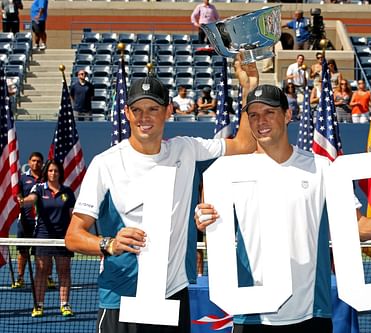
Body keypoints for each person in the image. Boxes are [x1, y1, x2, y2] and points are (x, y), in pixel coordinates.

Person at [194, 83, 371, 332]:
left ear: (288, 115)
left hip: (311, 312)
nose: (260, 121)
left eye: (269, 112)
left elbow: (357, 227)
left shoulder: (322, 168)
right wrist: (204, 220)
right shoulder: (231, 174)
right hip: (252, 313)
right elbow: (213, 227)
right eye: (253, 115)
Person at [64, 55, 256, 333]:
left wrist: (248, 87)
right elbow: (73, 236)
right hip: (122, 299)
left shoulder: (186, 150)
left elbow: (245, 144)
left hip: (171, 295)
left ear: (168, 111)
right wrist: (110, 244)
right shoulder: (105, 163)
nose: (145, 117)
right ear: (127, 113)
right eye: (137, 110)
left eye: (153, 109)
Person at [20, 160, 76, 318]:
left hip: (63, 237)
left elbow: (72, 214)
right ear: (46, 172)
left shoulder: (67, 192)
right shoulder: (38, 188)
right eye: (50, 171)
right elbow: (32, 199)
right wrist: (23, 202)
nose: (53, 173)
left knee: (64, 271)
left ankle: (64, 304)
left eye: (56, 171)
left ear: (60, 173)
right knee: (41, 271)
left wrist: (75, 231)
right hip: (43, 236)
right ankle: (39, 305)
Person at [12, 152, 43, 289]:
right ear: (29, 162)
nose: (36, 163)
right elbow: (18, 194)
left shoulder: (47, 178)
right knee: (23, 251)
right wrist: (19, 198)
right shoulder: (23, 179)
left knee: (43, 253)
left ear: (42, 163)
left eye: (38, 161)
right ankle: (20, 277)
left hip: (42, 222)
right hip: (25, 220)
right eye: (33, 161)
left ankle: (46, 277)